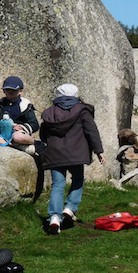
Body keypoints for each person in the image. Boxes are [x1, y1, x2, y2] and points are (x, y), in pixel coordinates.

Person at [41, 84, 106, 235]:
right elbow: (91, 131)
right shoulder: (82, 111)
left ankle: (54, 218)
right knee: (78, 179)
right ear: (76, 94)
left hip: (55, 154)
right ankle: (69, 209)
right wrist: (99, 151)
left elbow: (43, 134)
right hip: (76, 154)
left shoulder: (49, 113)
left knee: (57, 184)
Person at [0, 76, 40, 154]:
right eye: (7, 89)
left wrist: (22, 127)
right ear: (3, 90)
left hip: (18, 134)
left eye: (13, 90)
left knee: (18, 137)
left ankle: (36, 144)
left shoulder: (25, 105)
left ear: (21, 91)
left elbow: (35, 124)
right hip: (2, 134)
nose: (10, 91)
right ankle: (10, 146)